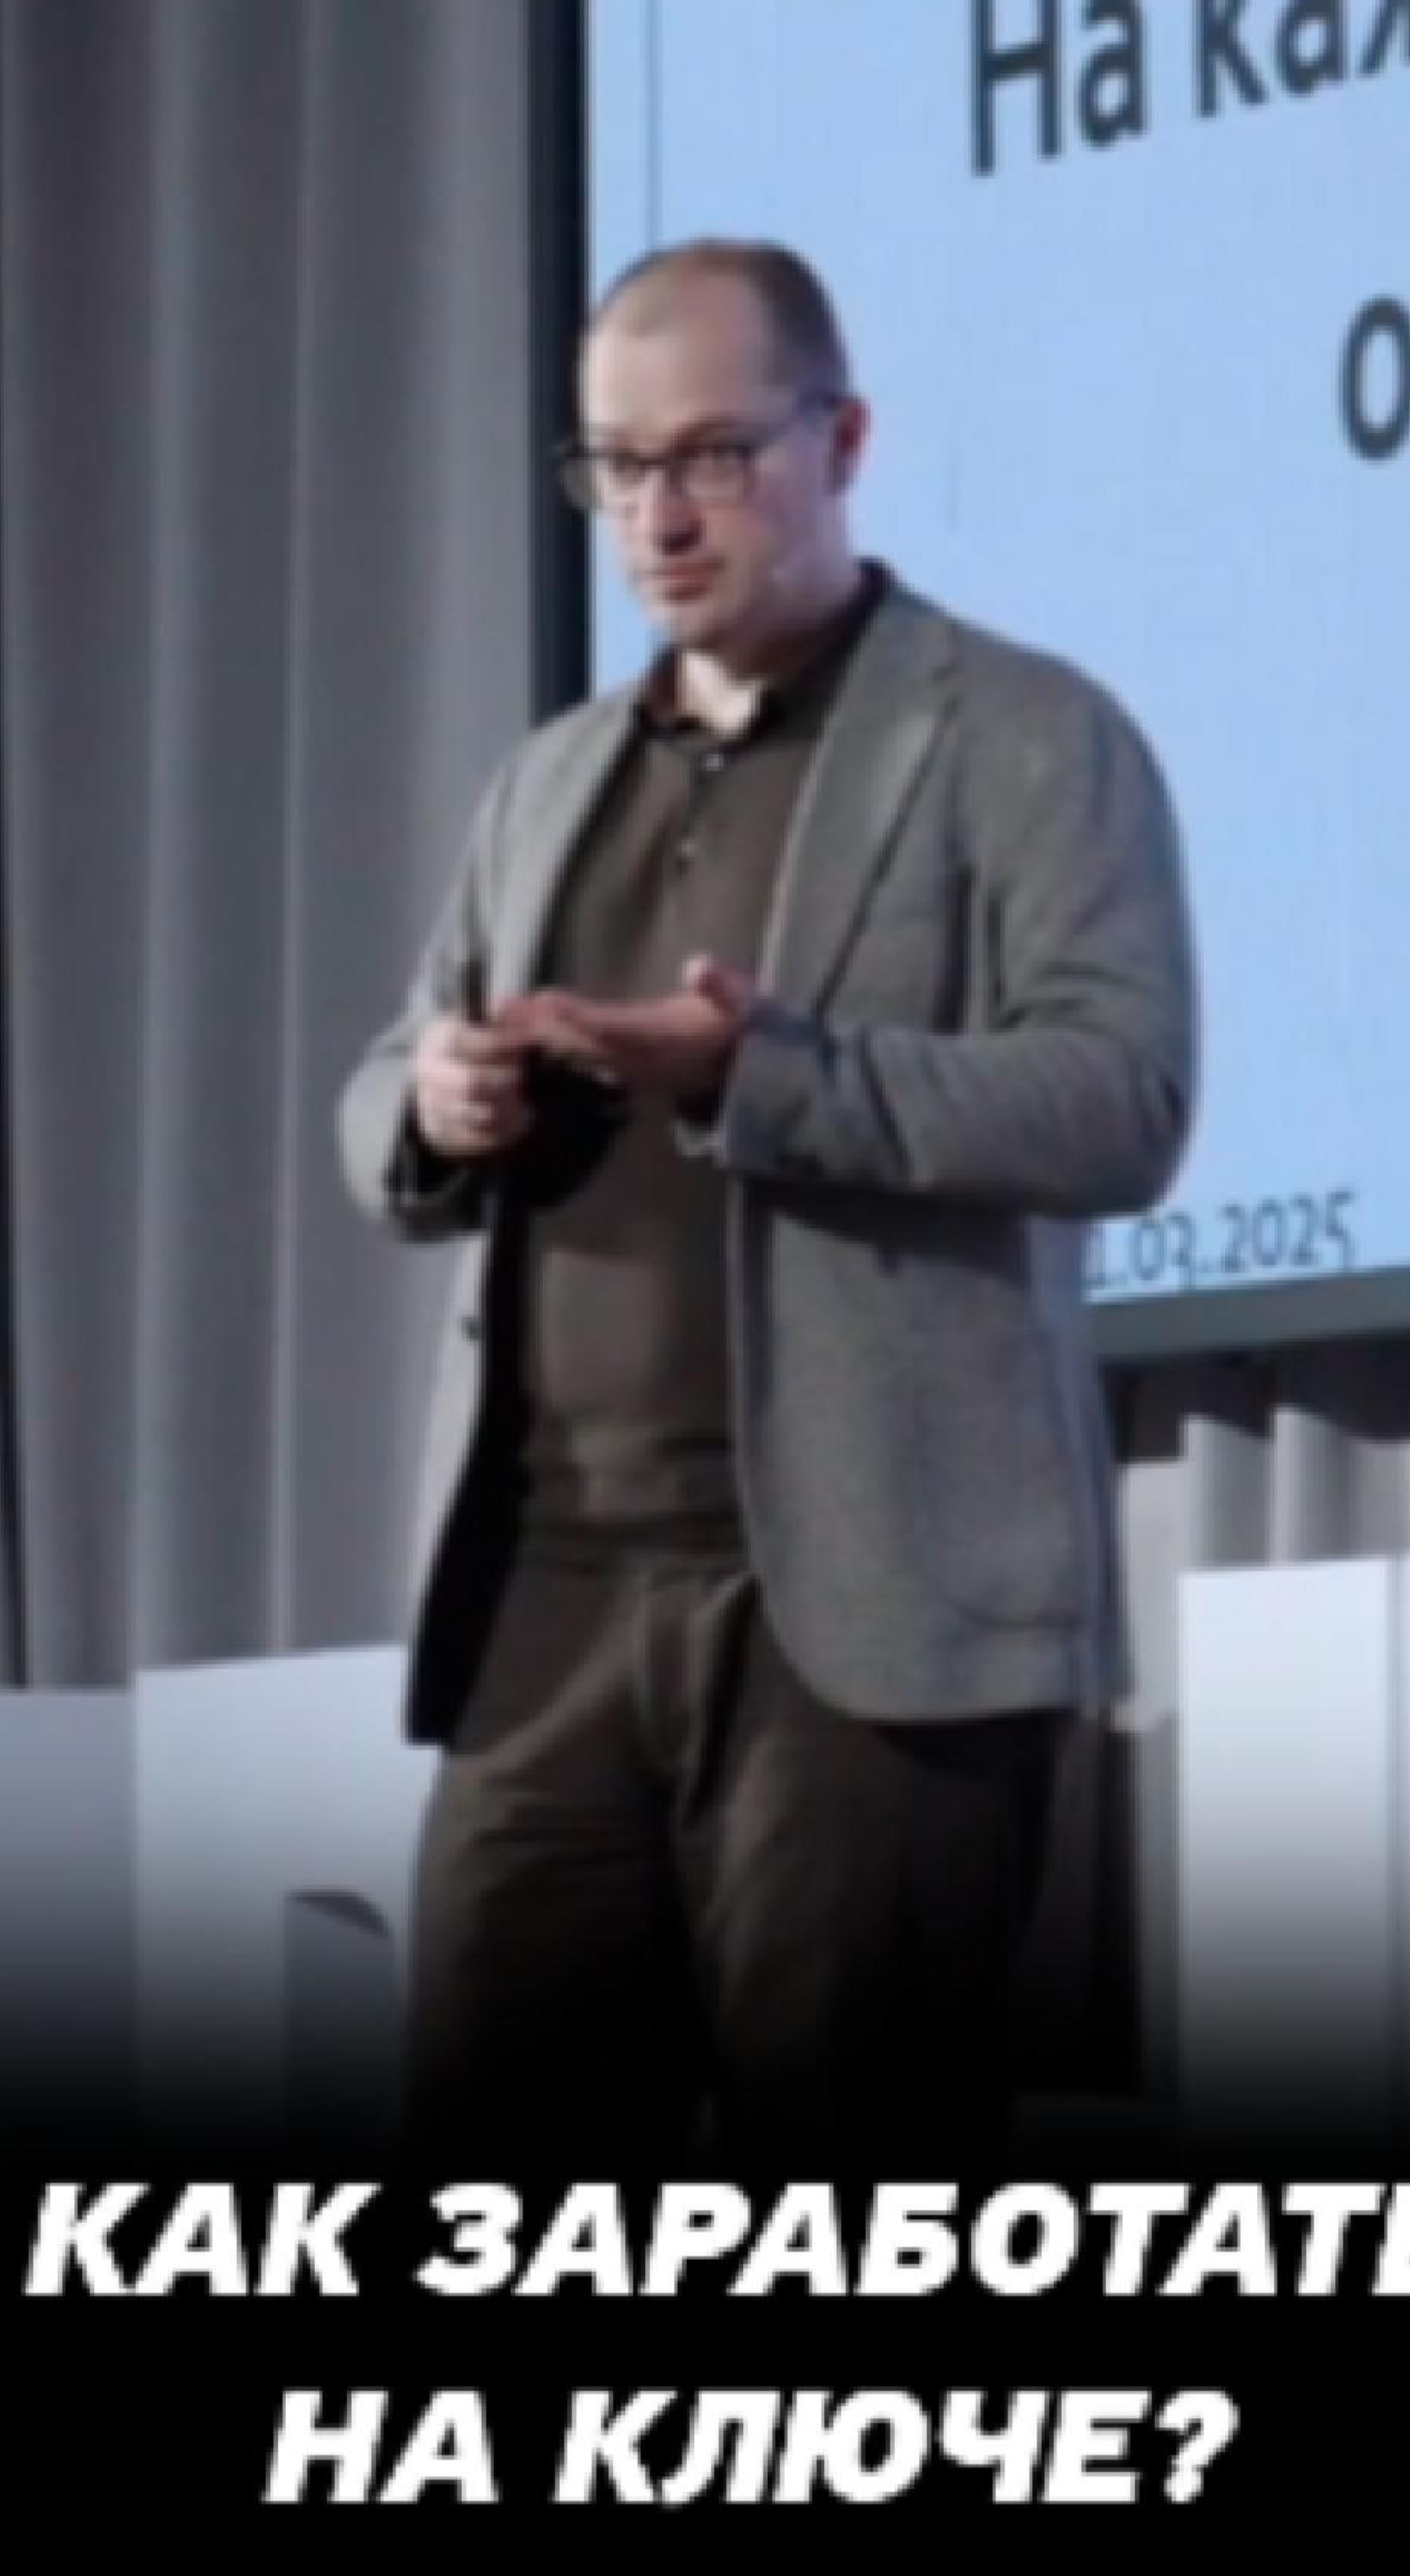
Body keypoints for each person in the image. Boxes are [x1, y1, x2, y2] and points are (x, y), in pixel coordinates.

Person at [337, 239, 1197, 2186]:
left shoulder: (1023, 737)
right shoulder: (551, 778)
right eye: (615, 465)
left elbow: (1121, 1101)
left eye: (713, 456)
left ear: (845, 442)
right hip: (552, 1600)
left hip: (863, 1621)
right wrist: (436, 1104)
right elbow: (385, 1074)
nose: (658, 516)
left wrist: (760, 1077)